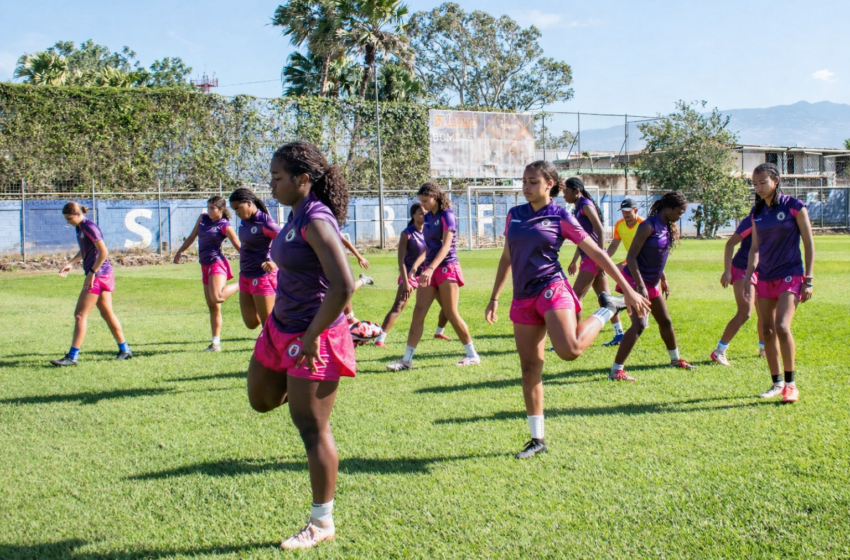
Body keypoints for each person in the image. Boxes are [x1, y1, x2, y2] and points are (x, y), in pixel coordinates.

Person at [486, 161, 651, 459]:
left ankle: (607, 309)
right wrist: (495, 297)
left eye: (533, 181)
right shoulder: (514, 216)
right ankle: (537, 439)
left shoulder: (560, 214)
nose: (526, 187)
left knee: (570, 349)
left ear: (550, 184)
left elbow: (596, 251)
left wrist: (627, 290)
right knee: (529, 367)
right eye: (524, 181)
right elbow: (507, 256)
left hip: (552, 287)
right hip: (522, 297)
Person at [247, 141, 357, 550]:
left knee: (312, 428)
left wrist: (311, 337)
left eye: (277, 178)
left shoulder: (316, 219)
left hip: (314, 336)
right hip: (280, 327)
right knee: (259, 398)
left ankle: (321, 522)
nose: (271, 184)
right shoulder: (294, 214)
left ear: (302, 180)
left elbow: (344, 285)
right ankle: (299, 388)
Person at [387, 182, 480, 370]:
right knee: (418, 312)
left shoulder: (448, 215)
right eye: (420, 202)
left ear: (435, 197)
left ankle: (472, 354)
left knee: (450, 313)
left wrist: (429, 269)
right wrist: (417, 265)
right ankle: (406, 360)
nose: (422, 205)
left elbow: (446, 246)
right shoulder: (428, 218)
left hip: (447, 268)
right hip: (430, 269)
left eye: (425, 200)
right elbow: (429, 245)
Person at [743, 163, 814, 403]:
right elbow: (754, 248)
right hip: (765, 276)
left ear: (776, 180)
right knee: (767, 330)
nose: (758, 187)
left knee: (782, 326)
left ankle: (791, 385)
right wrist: (747, 276)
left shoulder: (794, 206)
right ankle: (776, 383)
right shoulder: (757, 212)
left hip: (791, 274)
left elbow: (809, 243)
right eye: (755, 183)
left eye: (763, 182)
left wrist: (809, 279)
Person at [609, 191, 696, 381]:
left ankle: (675, 360)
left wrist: (663, 279)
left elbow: (658, 257)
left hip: (651, 282)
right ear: (669, 208)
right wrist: (640, 288)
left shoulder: (667, 226)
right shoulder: (647, 226)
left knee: (665, 321)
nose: (680, 216)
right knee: (639, 325)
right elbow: (631, 258)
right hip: (635, 281)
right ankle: (616, 371)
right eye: (679, 212)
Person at [50, 202, 132, 366]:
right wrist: (71, 263)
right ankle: (125, 349)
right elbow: (85, 250)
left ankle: (73, 357)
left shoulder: (89, 227)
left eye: (69, 218)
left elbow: (103, 252)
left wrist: (92, 273)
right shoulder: (80, 227)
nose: (68, 222)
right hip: (102, 274)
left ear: (78, 214)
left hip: (99, 275)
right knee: (107, 313)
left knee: (80, 315)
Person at [374, 202, 450, 348]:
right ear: (413, 215)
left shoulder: (430, 231)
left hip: (428, 275)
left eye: (426, 213)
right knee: (398, 306)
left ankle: (439, 332)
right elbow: (401, 260)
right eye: (421, 213)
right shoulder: (407, 233)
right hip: (410, 276)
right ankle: (379, 339)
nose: (424, 215)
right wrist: (406, 281)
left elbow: (430, 251)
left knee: (447, 307)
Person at [173, 196, 241, 351]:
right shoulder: (203, 218)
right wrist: (180, 251)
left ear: (221, 209)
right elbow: (192, 237)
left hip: (217, 264)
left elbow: (239, 247)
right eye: (208, 207)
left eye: (212, 208)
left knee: (218, 297)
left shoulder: (225, 226)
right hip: (204, 265)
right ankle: (215, 343)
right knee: (213, 306)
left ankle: (242, 283)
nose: (209, 210)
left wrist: (252, 262)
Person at [563, 178, 625, 345]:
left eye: (566, 192)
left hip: (592, 258)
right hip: (589, 257)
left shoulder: (585, 205)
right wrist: (574, 260)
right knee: (606, 299)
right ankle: (620, 333)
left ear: (577, 191)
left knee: (575, 297)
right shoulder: (577, 208)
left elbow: (599, 230)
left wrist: (599, 257)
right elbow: (583, 238)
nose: (564, 196)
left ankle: (572, 337)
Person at [709, 213, 765, 365]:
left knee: (764, 313)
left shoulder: (776, 218)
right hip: (742, 268)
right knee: (745, 312)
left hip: (762, 270)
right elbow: (730, 244)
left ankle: (764, 349)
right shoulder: (753, 219)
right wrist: (727, 271)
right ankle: (719, 351)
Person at [229, 188, 281, 330]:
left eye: (238, 208)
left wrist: (274, 262)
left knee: (268, 326)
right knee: (251, 323)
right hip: (245, 275)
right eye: (234, 210)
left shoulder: (265, 222)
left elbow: (287, 241)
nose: (237, 213)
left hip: (262, 276)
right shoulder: (245, 221)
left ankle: (275, 348)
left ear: (249, 203)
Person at [603, 197, 645, 346]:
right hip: (631, 261)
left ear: (635, 211)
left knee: (638, 290)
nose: (625, 215)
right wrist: (604, 258)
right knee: (615, 274)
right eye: (623, 212)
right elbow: (614, 244)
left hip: (645, 263)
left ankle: (629, 309)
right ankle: (629, 307)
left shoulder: (643, 225)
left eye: (628, 212)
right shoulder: (620, 225)